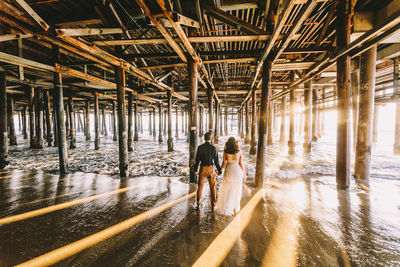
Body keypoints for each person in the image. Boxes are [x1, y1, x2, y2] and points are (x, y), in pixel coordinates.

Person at [216, 137, 246, 216]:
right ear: (235, 143)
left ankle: (227, 208)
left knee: (228, 190)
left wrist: (219, 171)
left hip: (229, 172)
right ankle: (235, 209)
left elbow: (224, 163)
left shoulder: (226, 152)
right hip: (237, 172)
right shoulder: (239, 152)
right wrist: (244, 173)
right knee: (236, 191)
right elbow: (240, 164)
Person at [194, 131, 222, 210]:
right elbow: (216, 161)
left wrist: (195, 170)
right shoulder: (213, 148)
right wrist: (219, 171)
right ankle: (213, 205)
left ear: (204, 138)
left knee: (200, 187)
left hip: (202, 168)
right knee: (212, 187)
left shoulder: (200, 147)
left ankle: (198, 204)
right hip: (210, 169)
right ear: (211, 138)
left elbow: (197, 160)